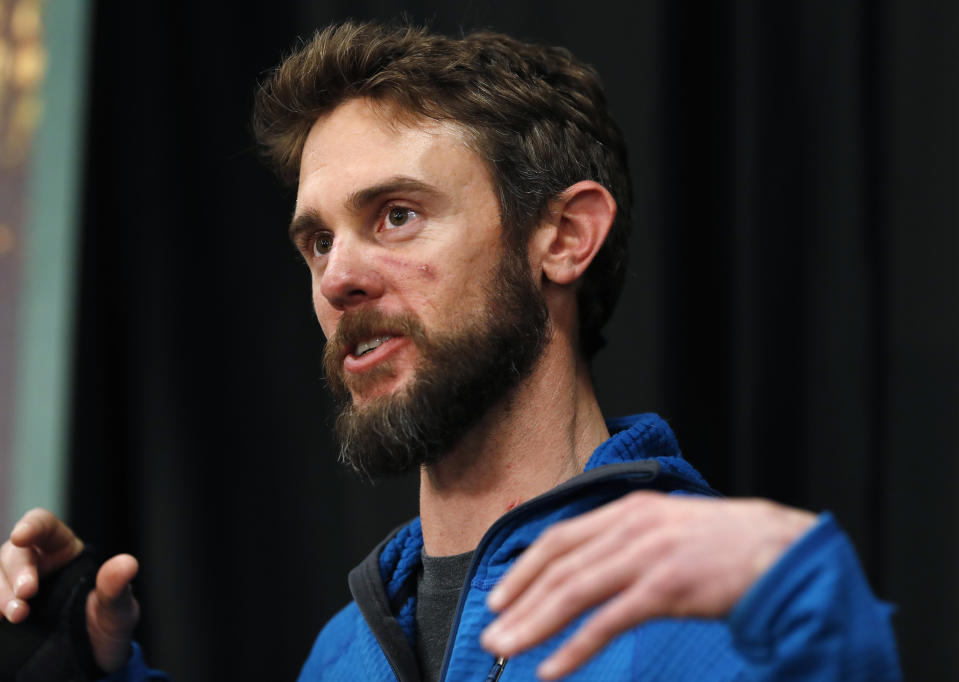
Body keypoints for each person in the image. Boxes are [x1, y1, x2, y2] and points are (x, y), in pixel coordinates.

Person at [0, 21, 900, 681]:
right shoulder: (343, 651)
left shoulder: (723, 616)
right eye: (316, 241)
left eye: (396, 216)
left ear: (564, 237)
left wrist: (814, 618)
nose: (336, 278)